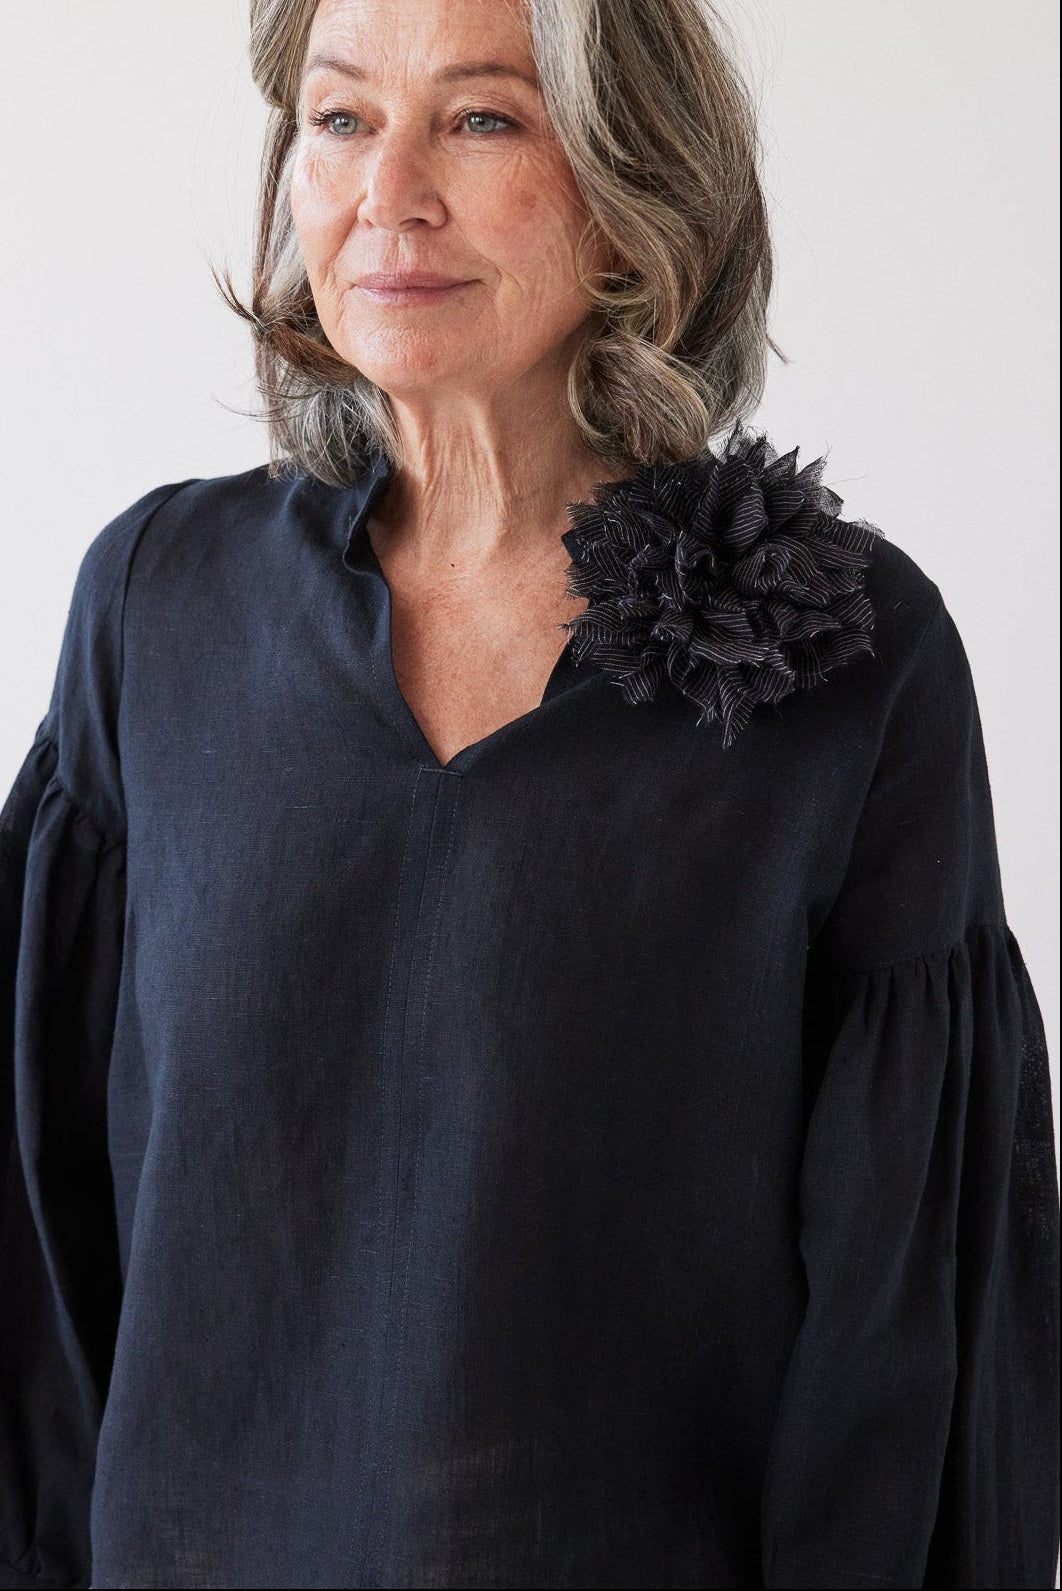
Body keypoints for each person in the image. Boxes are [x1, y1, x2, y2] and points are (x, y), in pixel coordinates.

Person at [1, 0, 1058, 1585]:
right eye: (343, 119)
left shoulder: (848, 661)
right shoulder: (162, 605)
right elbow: (33, 1223)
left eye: (483, 120)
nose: (387, 191)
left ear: (642, 192)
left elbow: (905, 1340)